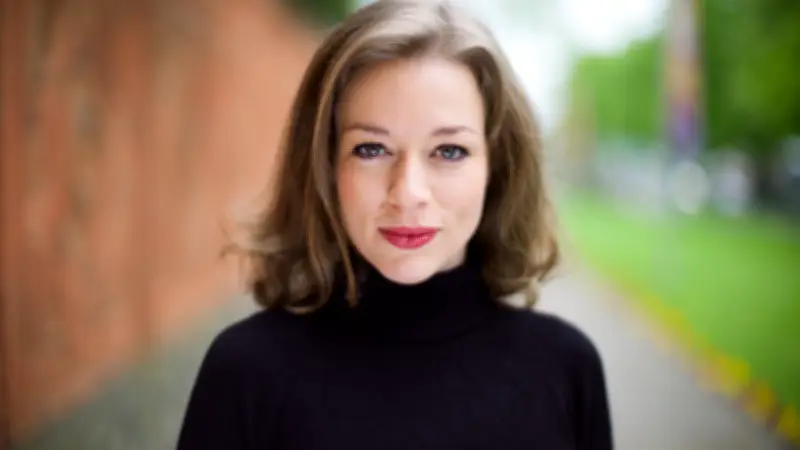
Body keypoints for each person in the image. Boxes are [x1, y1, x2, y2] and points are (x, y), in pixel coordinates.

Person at [177, 0, 613, 449]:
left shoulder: (567, 369)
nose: (407, 192)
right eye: (371, 149)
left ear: (496, 166)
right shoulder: (246, 372)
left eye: (449, 151)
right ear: (326, 165)